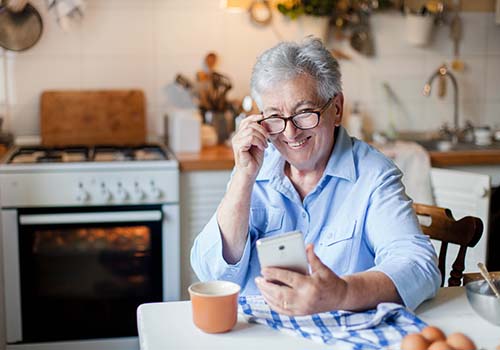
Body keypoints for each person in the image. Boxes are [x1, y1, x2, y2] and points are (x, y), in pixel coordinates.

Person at [191, 37, 441, 316]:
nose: (290, 133)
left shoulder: (372, 175)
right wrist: (242, 178)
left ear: (336, 109)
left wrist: (342, 293)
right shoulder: (253, 166)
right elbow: (211, 273)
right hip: (256, 335)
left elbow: (419, 266)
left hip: (342, 337)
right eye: (275, 117)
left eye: (304, 113)